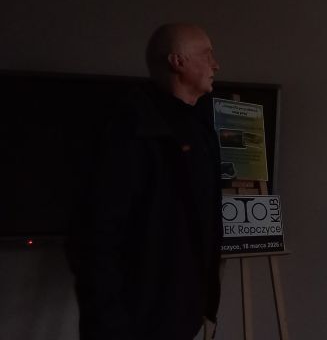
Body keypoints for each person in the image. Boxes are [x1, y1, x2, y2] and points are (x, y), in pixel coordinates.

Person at [67, 23, 223, 340]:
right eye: (207, 55)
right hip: (137, 318)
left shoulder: (200, 127)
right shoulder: (130, 130)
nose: (215, 65)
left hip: (180, 312)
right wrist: (108, 323)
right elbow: (97, 233)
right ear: (177, 62)